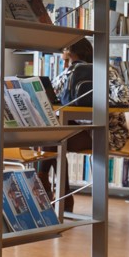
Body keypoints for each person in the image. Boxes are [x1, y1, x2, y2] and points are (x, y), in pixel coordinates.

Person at [39, 39, 97, 213]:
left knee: (53, 137)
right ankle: (63, 197)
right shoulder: (99, 69)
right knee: (54, 137)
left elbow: (49, 91)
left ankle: (43, 181)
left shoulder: (75, 72)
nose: (65, 65)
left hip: (100, 134)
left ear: (75, 56)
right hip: (84, 128)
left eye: (66, 60)